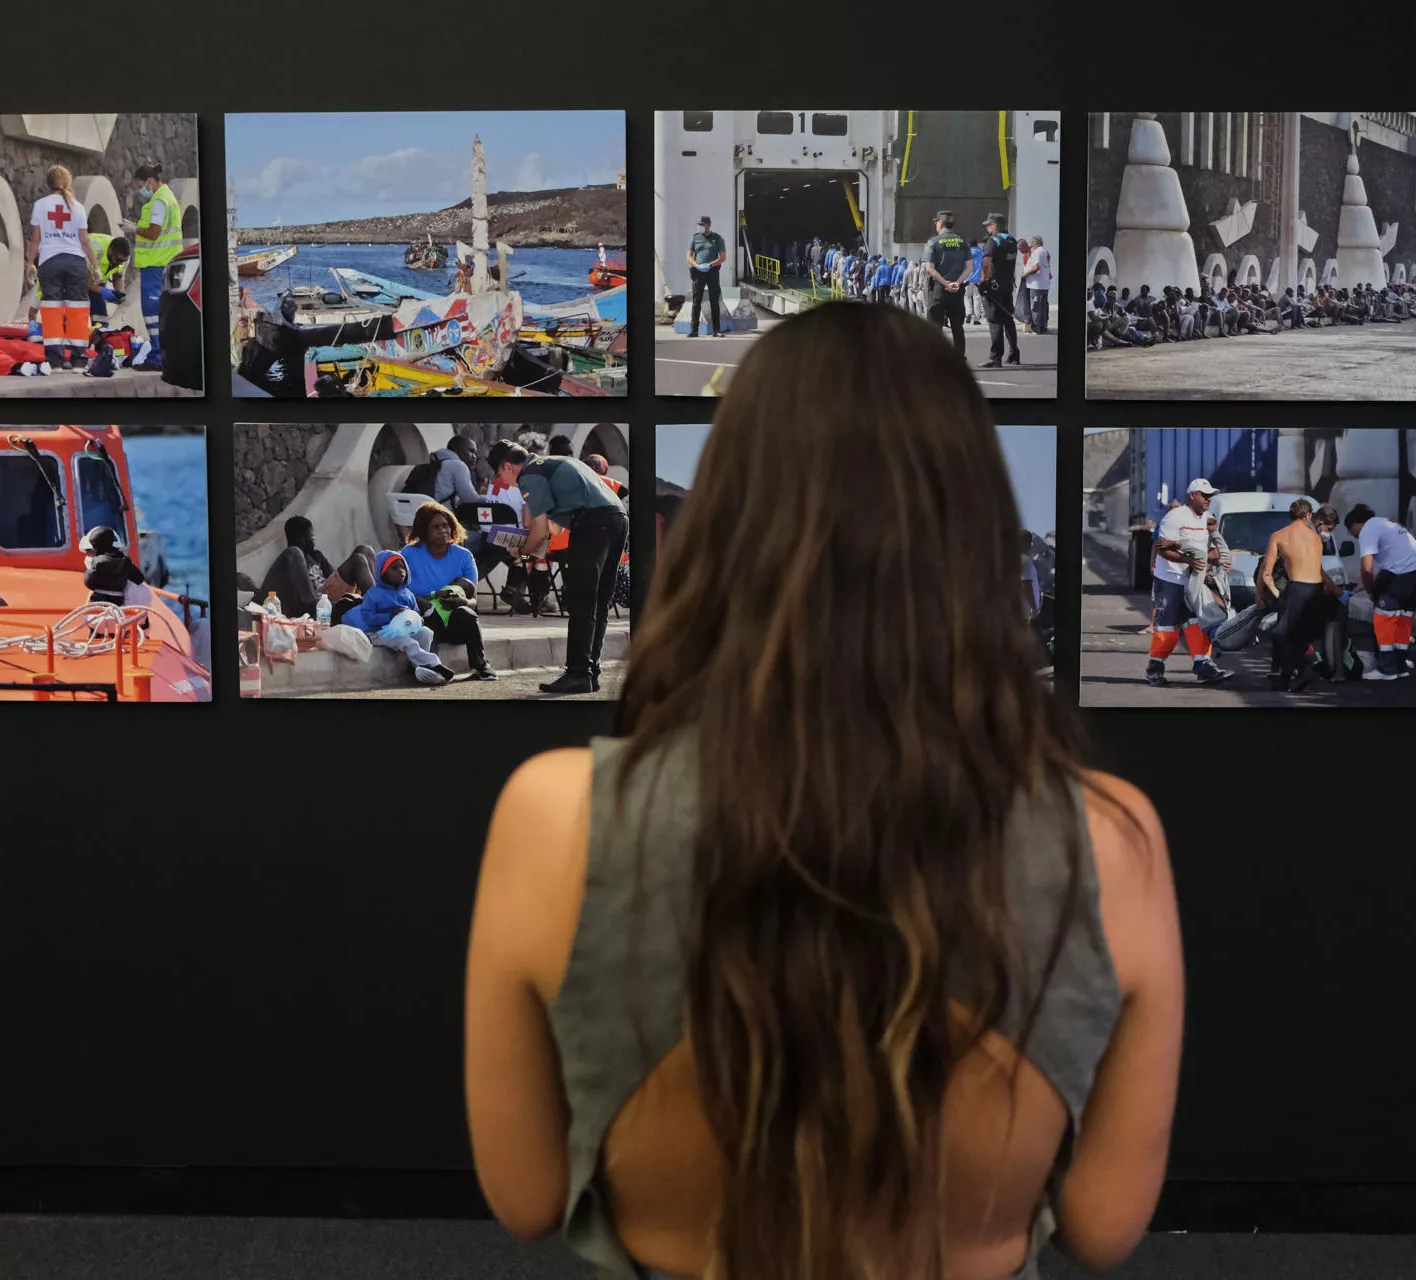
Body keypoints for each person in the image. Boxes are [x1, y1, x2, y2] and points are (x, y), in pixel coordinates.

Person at [464, 301, 1181, 1280]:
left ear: (725, 519)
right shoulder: (1110, 836)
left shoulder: (553, 816)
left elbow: (525, 1190)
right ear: (972, 530)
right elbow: (1103, 1221)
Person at [499, 444, 628, 695]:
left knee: (581, 600)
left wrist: (523, 551)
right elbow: (551, 528)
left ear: (507, 466)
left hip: (592, 524)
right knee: (598, 602)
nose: (504, 481)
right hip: (616, 520)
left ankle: (578, 673)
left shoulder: (530, 474)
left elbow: (538, 530)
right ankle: (590, 672)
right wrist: (529, 544)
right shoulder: (552, 464)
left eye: (501, 475)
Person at [1147, 478, 1231, 687]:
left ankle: (1203, 665)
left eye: (1210, 496)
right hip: (1170, 580)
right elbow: (1162, 548)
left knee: (1198, 623)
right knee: (1167, 629)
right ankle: (1155, 668)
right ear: (1192, 495)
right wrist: (1188, 559)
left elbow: (1209, 548)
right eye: (1205, 496)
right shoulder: (1175, 517)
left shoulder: (1207, 520)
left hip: (1194, 581)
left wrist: (1216, 559)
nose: (1208, 500)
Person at [400, 501, 497, 681]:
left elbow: (473, 600)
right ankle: (427, 667)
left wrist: (464, 602)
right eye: (435, 527)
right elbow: (400, 593)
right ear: (424, 531)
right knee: (426, 614)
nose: (443, 530)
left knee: (466, 613)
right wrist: (430, 598)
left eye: (445, 525)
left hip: (454, 624)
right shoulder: (409, 554)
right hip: (424, 619)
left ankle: (482, 666)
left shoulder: (464, 556)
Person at [25, 165, 98, 373]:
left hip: (50, 262)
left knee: (52, 311)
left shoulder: (41, 205)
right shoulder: (78, 207)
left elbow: (36, 239)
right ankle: (78, 361)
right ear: (68, 182)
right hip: (76, 263)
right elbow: (85, 241)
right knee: (77, 311)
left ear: (48, 184)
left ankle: (55, 362)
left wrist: (30, 263)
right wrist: (95, 266)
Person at [1346, 503, 1416, 680]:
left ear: (1357, 523)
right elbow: (1389, 564)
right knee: (1403, 617)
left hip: (1404, 573)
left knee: (1383, 615)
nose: (1352, 535)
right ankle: (1400, 667)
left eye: (1351, 530)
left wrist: (1370, 591)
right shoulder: (1386, 523)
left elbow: (1367, 569)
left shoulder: (1367, 529)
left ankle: (1386, 670)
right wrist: (1365, 585)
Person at [1258, 499, 1336, 693]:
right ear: (1308, 516)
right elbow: (1318, 568)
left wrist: (1276, 594)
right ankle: (1293, 675)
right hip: (1316, 589)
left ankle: (1309, 669)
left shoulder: (1279, 536)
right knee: (1303, 635)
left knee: (1281, 634)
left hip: (1297, 590)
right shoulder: (1316, 538)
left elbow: (1266, 574)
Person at [342, 549, 446, 686]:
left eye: (402, 567)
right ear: (383, 572)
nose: (400, 571)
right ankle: (432, 663)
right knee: (408, 642)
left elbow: (416, 614)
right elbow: (368, 617)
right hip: (379, 632)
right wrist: (390, 616)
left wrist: (417, 620)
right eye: (394, 568)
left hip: (403, 629)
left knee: (426, 633)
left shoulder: (408, 594)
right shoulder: (374, 594)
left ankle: (417, 668)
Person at [129, 163, 184, 371]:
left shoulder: (159, 201)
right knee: (164, 312)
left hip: (156, 263)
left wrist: (134, 228)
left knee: (152, 311)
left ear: (150, 182)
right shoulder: (169, 198)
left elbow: (153, 233)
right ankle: (165, 354)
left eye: (142, 185)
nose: (141, 190)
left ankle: (157, 357)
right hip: (167, 262)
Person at [920, 209, 971, 354]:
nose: (936, 224)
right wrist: (957, 283)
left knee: (935, 326)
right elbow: (969, 267)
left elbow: (930, 268)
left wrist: (945, 283)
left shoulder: (933, 242)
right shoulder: (963, 241)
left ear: (941, 223)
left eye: (936, 222)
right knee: (957, 326)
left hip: (938, 289)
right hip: (957, 290)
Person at [976, 213, 1022, 369]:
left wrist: (983, 282)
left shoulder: (993, 241)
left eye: (989, 225)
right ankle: (1014, 355)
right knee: (1008, 320)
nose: (987, 228)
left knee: (995, 321)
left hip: (993, 287)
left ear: (994, 225)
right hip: (1007, 285)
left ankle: (995, 357)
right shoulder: (1011, 240)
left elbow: (987, 263)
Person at [82, 524, 145, 607]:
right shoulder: (125, 560)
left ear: (96, 546)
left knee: (90, 617)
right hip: (119, 601)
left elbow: (88, 582)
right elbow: (139, 578)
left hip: (99, 601)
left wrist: (89, 569)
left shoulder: (96, 562)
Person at [687, 215, 727, 337]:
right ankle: (694, 330)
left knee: (714, 300)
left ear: (708, 225)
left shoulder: (718, 238)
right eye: (698, 225)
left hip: (712, 272)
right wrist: (697, 265)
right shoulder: (694, 238)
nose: (699, 227)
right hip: (698, 272)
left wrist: (709, 265)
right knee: (696, 301)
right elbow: (689, 255)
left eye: (702, 225)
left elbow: (722, 257)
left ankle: (716, 330)